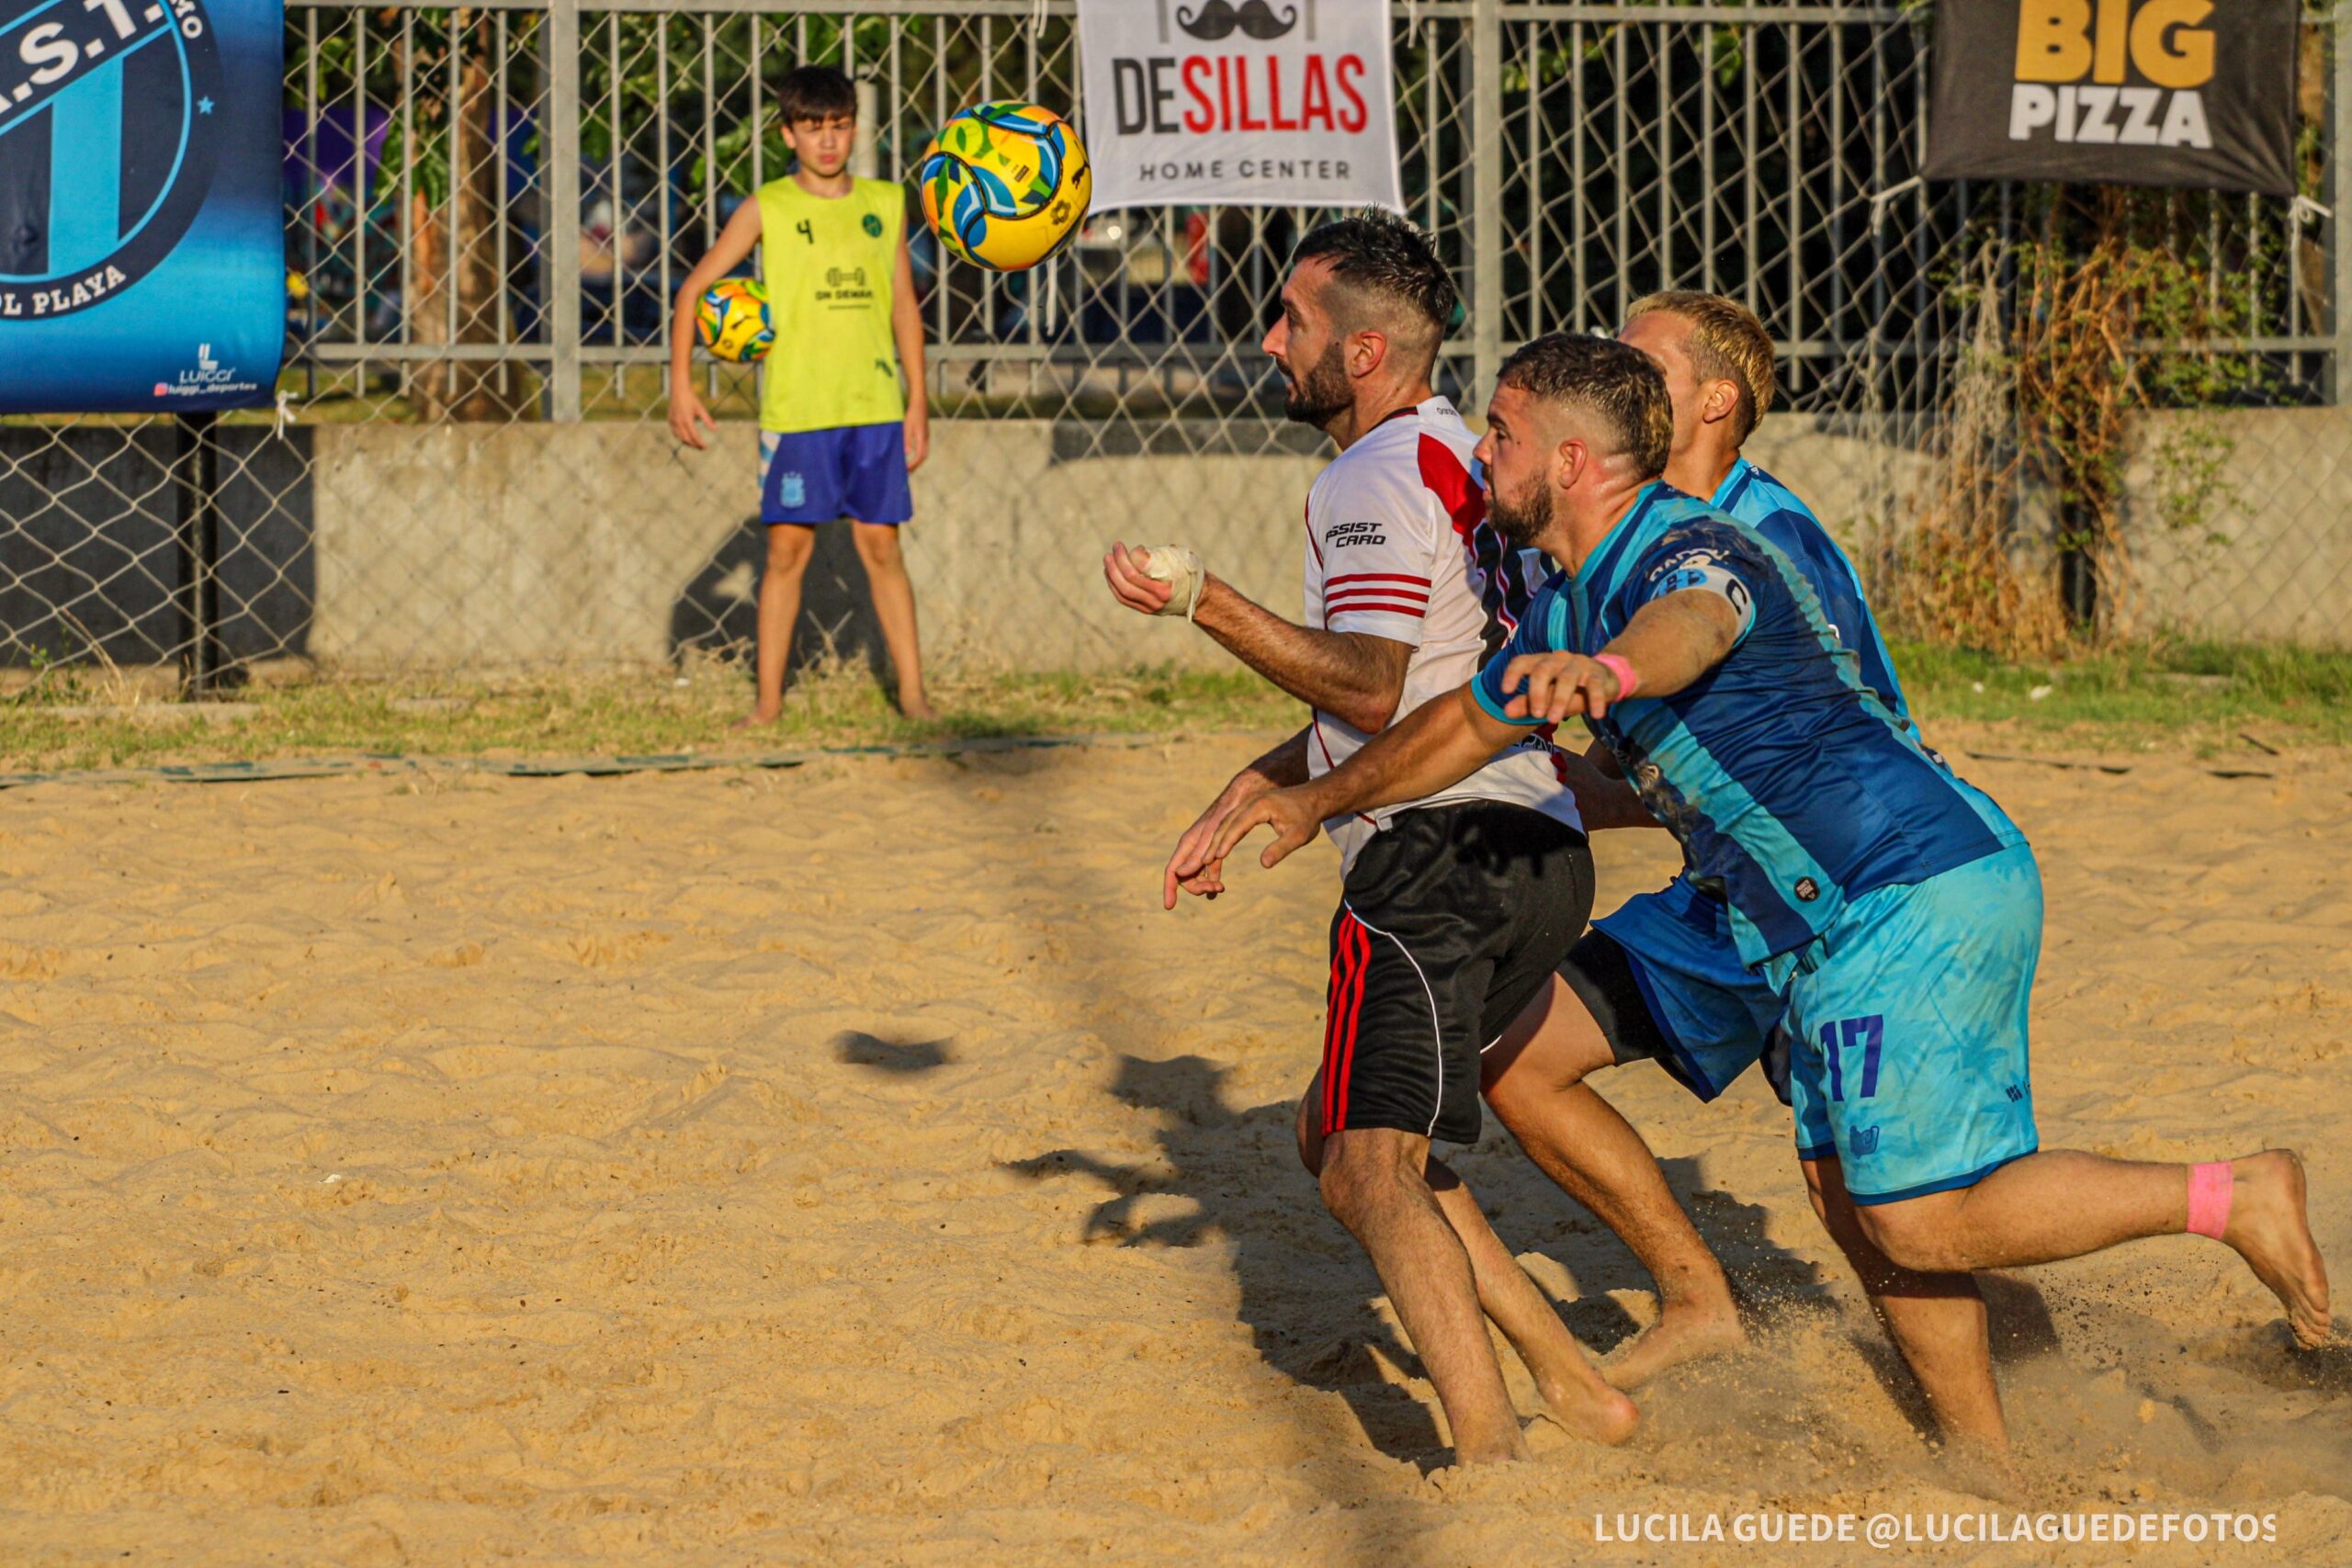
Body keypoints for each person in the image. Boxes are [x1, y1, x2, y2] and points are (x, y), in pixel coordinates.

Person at [1204, 333, 2332, 1455]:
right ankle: (1984, 1464)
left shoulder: (1687, 550)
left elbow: (1693, 626)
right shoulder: (1559, 604)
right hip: (1804, 915)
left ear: (1571, 462)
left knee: (1918, 1214)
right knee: (1852, 1193)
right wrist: (1314, 800)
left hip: (1905, 889)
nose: (1475, 454)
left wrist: (1616, 676)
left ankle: (2230, 1197)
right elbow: (1453, 727)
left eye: (1499, 434)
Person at [1102, 212, 1635, 1464]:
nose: (1271, 336)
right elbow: (1443, 676)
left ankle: (1491, 1461)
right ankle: (1573, 1376)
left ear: (1366, 353)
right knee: (1333, 1133)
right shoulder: (1461, 450)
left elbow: (1371, 686)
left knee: (1367, 1171)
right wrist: (1257, 781)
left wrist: (1201, 599)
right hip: (1536, 851)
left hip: (1433, 860)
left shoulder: (1368, 474)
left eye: (1295, 320)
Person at [1473, 291, 1925, 1390]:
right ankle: (1697, 1299)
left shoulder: (1758, 536)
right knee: (1519, 1062)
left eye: (1641, 362)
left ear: (1714, 401)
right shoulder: (1636, 533)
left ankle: (2023, 1364)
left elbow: (1822, 735)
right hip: (1729, 886)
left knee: (1882, 1206)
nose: (1615, 372)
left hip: (1840, 884)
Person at [666, 64, 935, 724]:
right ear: (788, 134)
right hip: (798, 414)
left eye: (839, 127)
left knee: (881, 548)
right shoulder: (768, 207)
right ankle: (767, 705)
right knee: (785, 552)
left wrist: (918, 399)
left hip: (872, 409)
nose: (827, 141)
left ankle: (914, 696)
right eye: (812, 129)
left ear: (854, 129)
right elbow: (692, 291)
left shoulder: (884, 204)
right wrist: (681, 384)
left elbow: (904, 304)